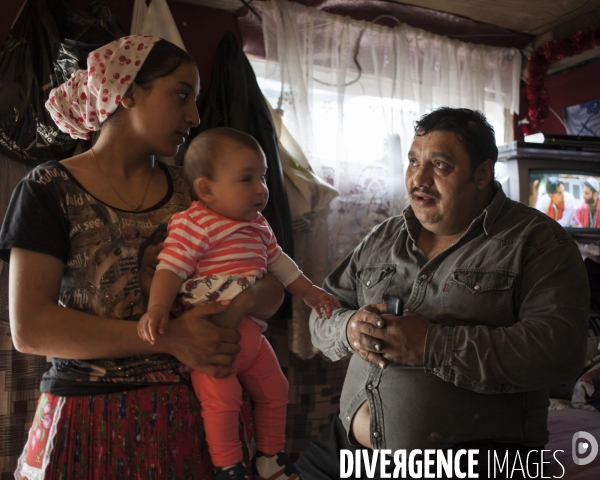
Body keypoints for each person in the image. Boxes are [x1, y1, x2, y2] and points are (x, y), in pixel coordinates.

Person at [0, 36, 286, 479]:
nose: (194, 115)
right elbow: (31, 329)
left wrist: (243, 305)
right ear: (127, 91)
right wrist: (169, 337)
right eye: (180, 94)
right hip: (85, 422)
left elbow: (269, 282)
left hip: (199, 420)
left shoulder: (200, 193)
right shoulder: (48, 190)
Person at [297, 108, 589, 479]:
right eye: (413, 161)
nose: (418, 179)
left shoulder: (538, 243)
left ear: (482, 174)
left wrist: (432, 345)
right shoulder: (383, 237)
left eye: (440, 165)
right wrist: (348, 328)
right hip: (347, 449)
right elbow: (323, 310)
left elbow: (559, 351)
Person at [137, 127, 339, 480]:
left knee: (277, 389)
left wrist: (309, 291)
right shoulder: (195, 223)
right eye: (247, 179)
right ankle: (229, 467)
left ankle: (270, 456)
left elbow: (281, 265)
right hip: (211, 340)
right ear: (206, 189)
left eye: (262, 177)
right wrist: (157, 309)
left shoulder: (259, 226)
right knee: (222, 400)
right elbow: (170, 268)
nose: (261, 188)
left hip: (252, 336)